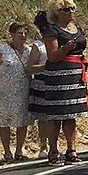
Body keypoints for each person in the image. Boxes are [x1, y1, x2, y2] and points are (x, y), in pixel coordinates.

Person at [29, 0, 88, 165]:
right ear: (57, 12)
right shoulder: (52, 30)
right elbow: (52, 56)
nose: (70, 12)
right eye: (65, 9)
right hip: (58, 76)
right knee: (55, 116)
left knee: (71, 116)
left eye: (72, 8)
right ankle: (53, 151)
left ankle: (71, 150)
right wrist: (66, 48)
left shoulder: (76, 27)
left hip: (75, 75)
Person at [0, 22, 32, 161]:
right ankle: (7, 152)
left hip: (22, 91)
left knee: (22, 121)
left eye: (25, 33)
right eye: (19, 33)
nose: (23, 36)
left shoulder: (29, 51)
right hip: (4, 93)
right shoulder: (3, 51)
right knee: (4, 122)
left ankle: (19, 151)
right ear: (12, 34)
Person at [26, 11, 53, 159]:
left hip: (55, 80)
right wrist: (46, 66)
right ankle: (44, 145)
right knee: (43, 117)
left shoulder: (58, 41)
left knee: (53, 117)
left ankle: (53, 144)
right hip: (42, 82)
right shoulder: (38, 45)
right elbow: (30, 67)